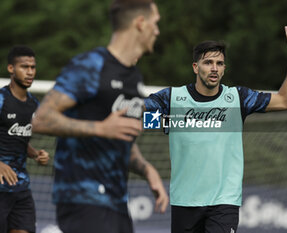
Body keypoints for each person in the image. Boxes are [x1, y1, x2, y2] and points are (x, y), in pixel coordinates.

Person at [144, 25, 287, 233]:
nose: (214, 68)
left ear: (224, 69)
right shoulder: (172, 100)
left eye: (219, 63)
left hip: (223, 203)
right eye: (208, 62)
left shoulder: (238, 99)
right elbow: (140, 116)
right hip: (184, 201)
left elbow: (285, 100)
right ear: (195, 67)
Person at [31, 0, 168, 233]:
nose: (157, 30)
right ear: (140, 23)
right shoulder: (91, 65)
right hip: (83, 197)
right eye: (155, 23)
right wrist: (100, 128)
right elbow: (41, 119)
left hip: (116, 201)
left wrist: (147, 170)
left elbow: (117, 133)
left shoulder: (133, 77)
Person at [0, 45, 50, 233]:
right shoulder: (1, 99)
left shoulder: (33, 104)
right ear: (11, 69)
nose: (30, 72)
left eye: (33, 67)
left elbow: (18, 138)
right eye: (24, 67)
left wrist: (36, 154)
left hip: (21, 189)